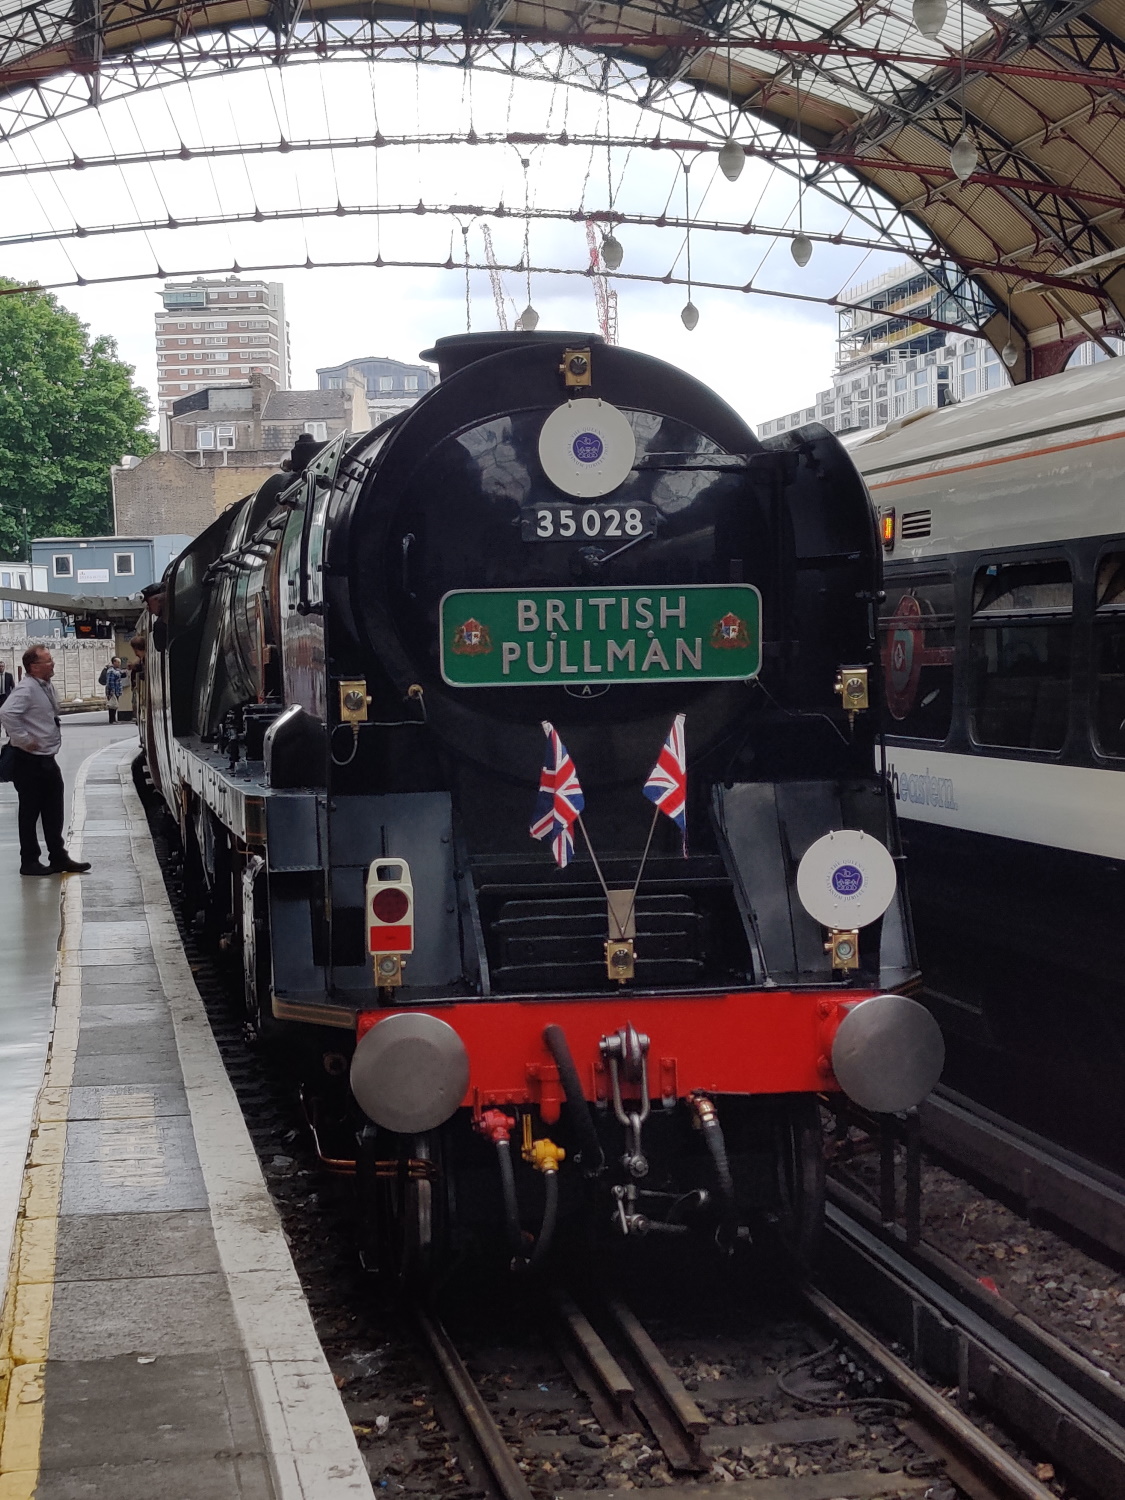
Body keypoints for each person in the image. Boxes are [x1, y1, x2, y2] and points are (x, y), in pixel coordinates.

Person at [0, 645, 91, 877]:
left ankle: (58, 856)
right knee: (30, 811)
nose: (53, 664)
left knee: (53, 809)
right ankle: (29, 861)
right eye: (48, 661)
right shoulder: (27, 688)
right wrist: (23, 739)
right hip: (28, 760)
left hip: (46, 758)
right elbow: (7, 712)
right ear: (34, 667)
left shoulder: (45, 685)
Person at [104, 656, 125, 724]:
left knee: (115, 705)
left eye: (120, 662)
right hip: (113, 691)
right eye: (118, 662)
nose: (119, 664)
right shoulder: (111, 671)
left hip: (117, 690)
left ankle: (114, 719)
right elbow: (110, 682)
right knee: (112, 705)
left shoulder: (117, 670)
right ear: (114, 662)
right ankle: (112, 720)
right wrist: (111, 691)